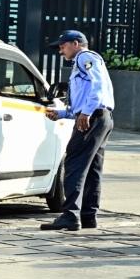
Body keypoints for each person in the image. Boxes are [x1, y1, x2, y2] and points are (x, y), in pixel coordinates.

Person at [42, 30, 115, 231]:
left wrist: (87, 113)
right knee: (93, 169)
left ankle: (70, 215)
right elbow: (83, 99)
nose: (60, 50)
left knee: (74, 164)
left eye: (63, 46)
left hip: (93, 118)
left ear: (76, 43)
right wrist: (63, 113)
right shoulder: (83, 61)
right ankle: (88, 216)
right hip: (100, 118)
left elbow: (97, 86)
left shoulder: (85, 57)